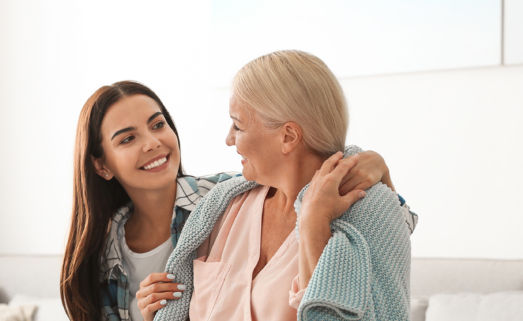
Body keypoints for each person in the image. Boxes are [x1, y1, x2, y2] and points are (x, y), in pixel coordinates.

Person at [59, 80, 416, 321]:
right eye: (127, 139)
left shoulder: (224, 198)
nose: (152, 143)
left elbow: (384, 218)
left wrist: (367, 163)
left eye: (157, 125)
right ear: (102, 165)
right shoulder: (101, 258)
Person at [150, 50, 414, 321]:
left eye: (238, 126)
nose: (229, 139)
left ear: (288, 136)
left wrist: (313, 228)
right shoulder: (221, 206)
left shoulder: (370, 213)